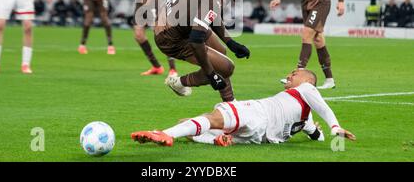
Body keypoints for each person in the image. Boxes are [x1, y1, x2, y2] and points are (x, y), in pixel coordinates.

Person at [131, 69, 356, 147]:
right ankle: (206, 138)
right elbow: (317, 137)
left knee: (211, 119)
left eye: (294, 74)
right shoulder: (304, 120)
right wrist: (318, 131)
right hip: (258, 138)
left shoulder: (306, 88)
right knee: (194, 127)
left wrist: (335, 127)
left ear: (307, 80)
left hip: (259, 112)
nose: (289, 75)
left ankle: (164, 134)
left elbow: (323, 107)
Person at [154, 0, 254, 102]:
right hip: (169, 36)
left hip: (180, 19)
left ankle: (230, 104)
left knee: (222, 53)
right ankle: (179, 82)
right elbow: (196, 40)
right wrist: (211, 74)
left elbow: (211, 14)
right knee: (225, 67)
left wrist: (230, 42)